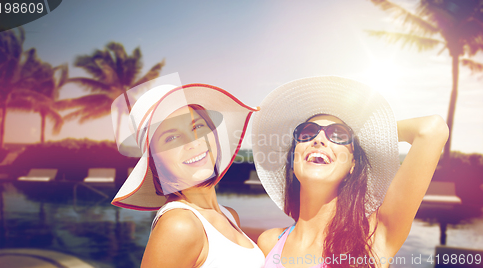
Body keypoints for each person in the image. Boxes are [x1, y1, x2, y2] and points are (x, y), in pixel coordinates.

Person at [252, 76, 449, 268]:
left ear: (353, 164)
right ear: (293, 159)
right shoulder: (268, 243)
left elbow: (432, 129)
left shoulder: (373, 239)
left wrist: (362, 136)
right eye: (307, 132)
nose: (318, 139)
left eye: (338, 135)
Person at [112, 83, 265, 268]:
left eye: (197, 126)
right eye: (171, 138)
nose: (193, 142)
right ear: (156, 161)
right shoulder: (179, 226)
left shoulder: (229, 215)